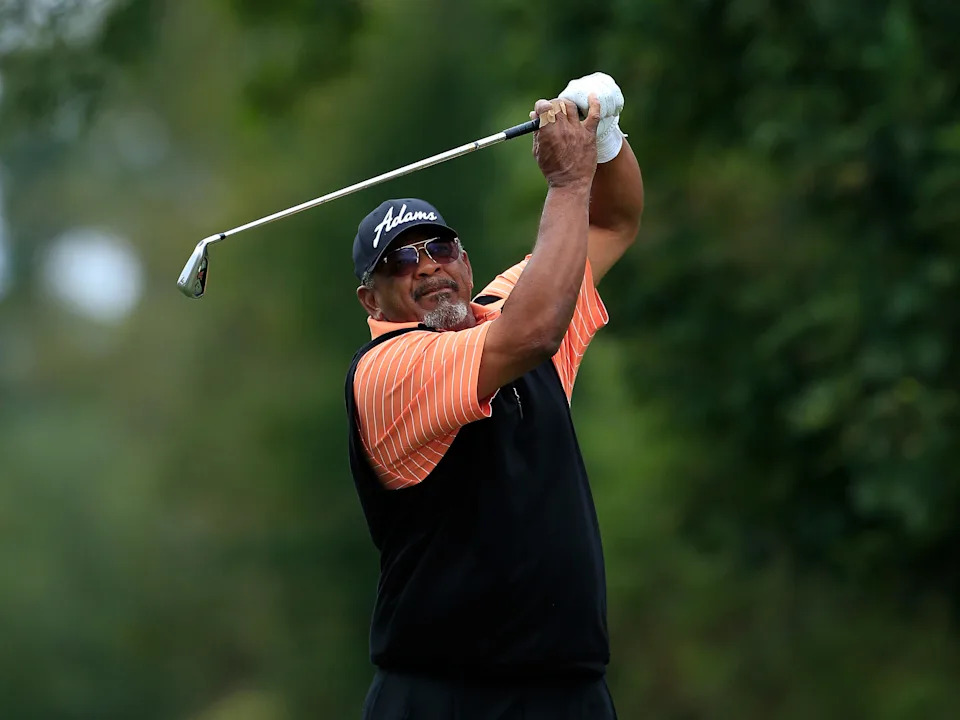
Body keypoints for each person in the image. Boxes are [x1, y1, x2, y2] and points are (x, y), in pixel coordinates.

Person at [344, 72, 644, 719]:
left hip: (568, 694)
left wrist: (606, 138)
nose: (427, 265)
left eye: (439, 246)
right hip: (443, 697)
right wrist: (567, 182)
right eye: (399, 261)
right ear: (371, 300)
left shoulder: (504, 312)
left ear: (466, 259)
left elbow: (614, 222)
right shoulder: (386, 370)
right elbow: (533, 332)